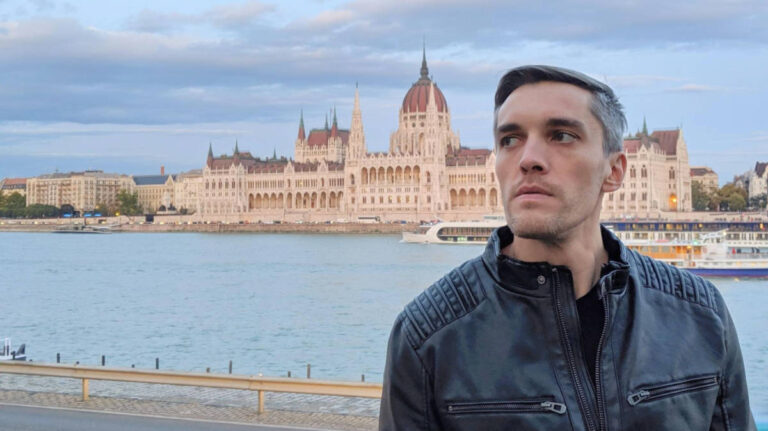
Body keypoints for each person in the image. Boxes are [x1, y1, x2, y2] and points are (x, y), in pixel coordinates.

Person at [379, 65, 756, 430]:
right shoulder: (426, 337)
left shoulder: (701, 316)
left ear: (615, 170)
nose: (528, 160)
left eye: (561, 135)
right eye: (510, 140)